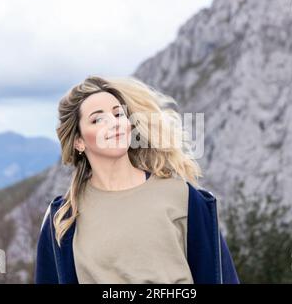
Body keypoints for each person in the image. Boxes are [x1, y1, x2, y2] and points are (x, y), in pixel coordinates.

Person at [35, 76, 239, 284]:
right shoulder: (62, 219)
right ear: (78, 141)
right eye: (97, 119)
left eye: (118, 114)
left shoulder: (182, 196)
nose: (113, 123)